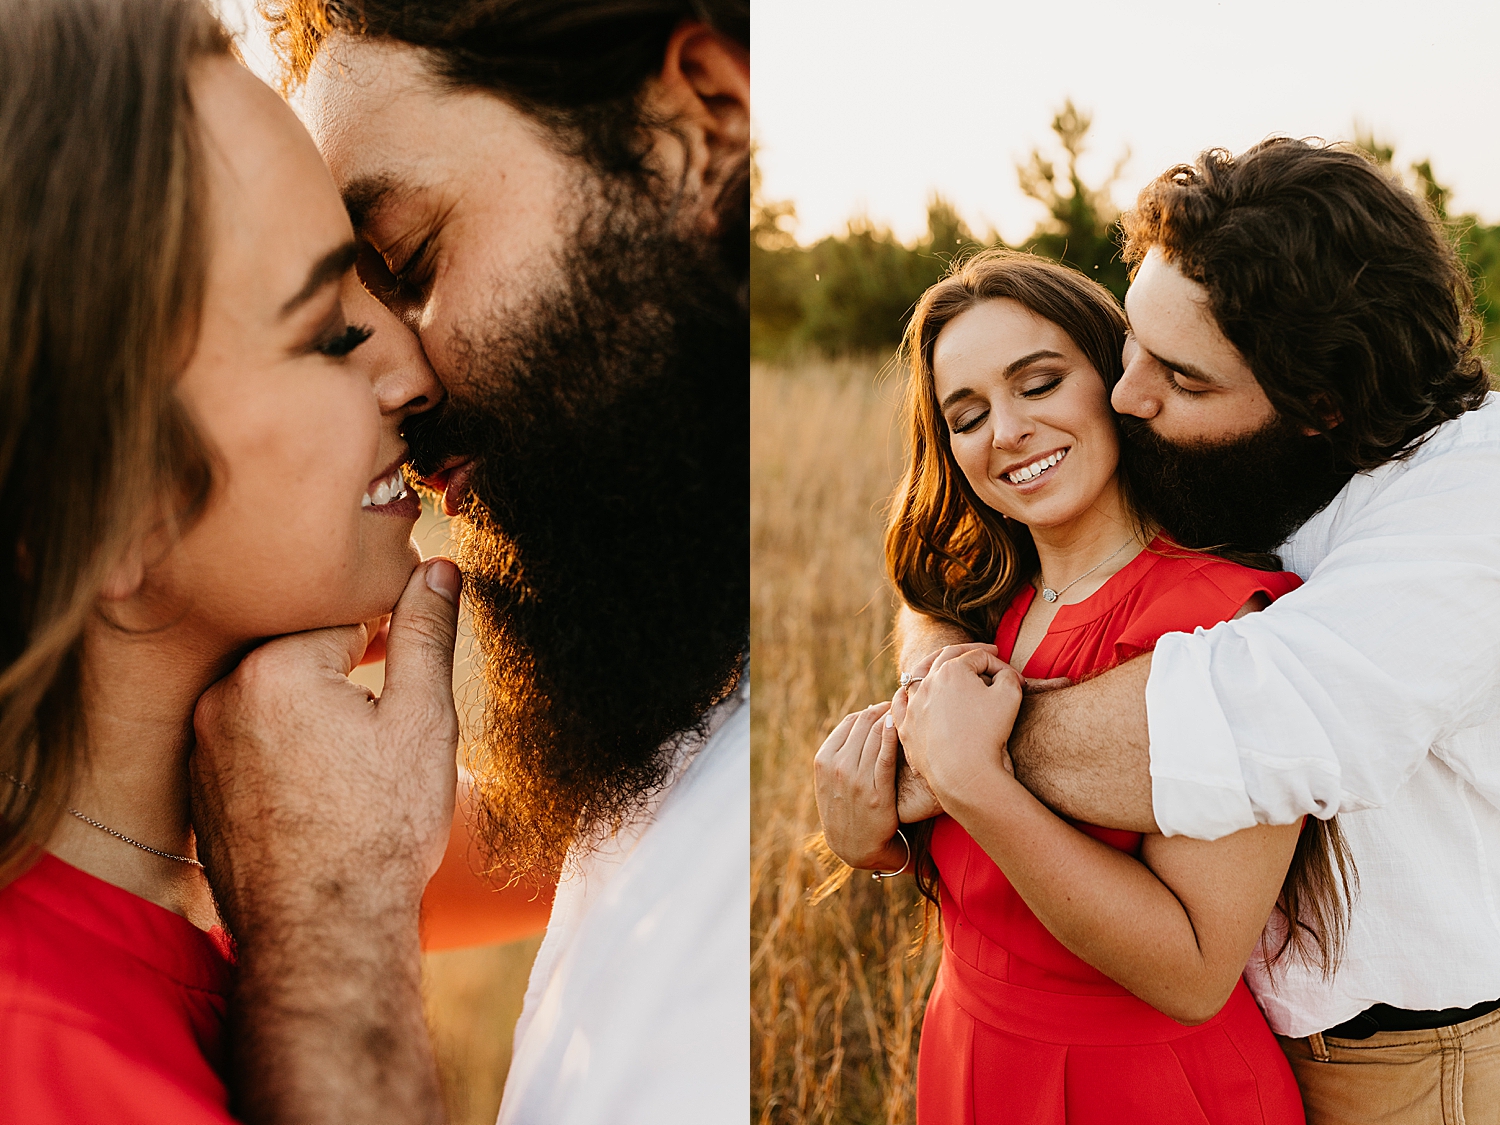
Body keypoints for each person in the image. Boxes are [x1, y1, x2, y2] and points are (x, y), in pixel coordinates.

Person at [187, 2, 751, 1122]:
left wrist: (335, 937)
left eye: (408, 259)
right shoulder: (692, 670)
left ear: (705, 122)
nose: (400, 374)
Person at [898, 140, 1500, 1124]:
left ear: (1321, 406)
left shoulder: (1470, 509)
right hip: (1246, 1039)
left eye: (1177, 373)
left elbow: (1238, 723)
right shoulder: (1241, 458)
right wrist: (932, 669)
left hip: (1405, 1061)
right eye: (1131, 341)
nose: (1127, 393)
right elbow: (967, 560)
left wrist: (944, 756)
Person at [0, 0, 458, 1119]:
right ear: (103, 498)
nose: (417, 373)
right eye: (329, 336)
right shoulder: (56, 1069)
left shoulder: (245, 847)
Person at [815, 250, 1321, 1122]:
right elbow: (991, 893)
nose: (1005, 430)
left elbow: (1194, 969)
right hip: (970, 1052)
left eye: (1039, 383)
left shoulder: (1225, 625)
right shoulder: (987, 609)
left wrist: (973, 781)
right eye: (966, 414)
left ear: (1117, 380)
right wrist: (877, 843)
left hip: (1149, 1086)